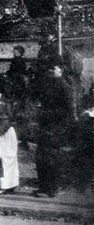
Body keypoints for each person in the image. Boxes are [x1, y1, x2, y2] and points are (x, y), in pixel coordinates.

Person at [34, 62, 75, 198]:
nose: (51, 70)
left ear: (61, 70)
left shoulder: (65, 87)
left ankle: (52, 189)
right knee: (41, 156)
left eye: (54, 68)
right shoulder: (48, 84)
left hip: (56, 127)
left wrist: (48, 114)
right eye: (49, 68)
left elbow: (69, 110)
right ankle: (43, 187)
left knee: (52, 158)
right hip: (45, 126)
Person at [0, 76, 19, 192]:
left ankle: (5, 185)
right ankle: (1, 183)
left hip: (4, 133)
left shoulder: (1, 103)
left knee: (4, 158)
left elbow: (5, 121)